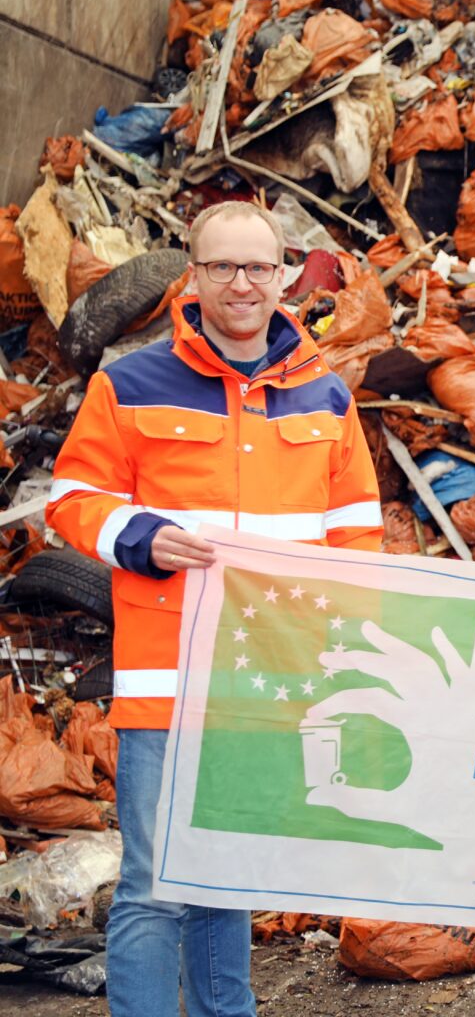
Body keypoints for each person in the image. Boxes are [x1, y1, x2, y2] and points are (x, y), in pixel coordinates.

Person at [46, 201, 383, 1016]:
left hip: (268, 689)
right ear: (192, 275)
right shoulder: (129, 383)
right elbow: (71, 497)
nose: (242, 283)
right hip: (169, 685)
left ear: (285, 278)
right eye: (224, 266)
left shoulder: (327, 398)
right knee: (156, 886)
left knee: (226, 877)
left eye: (259, 267)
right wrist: (139, 535)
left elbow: (358, 538)